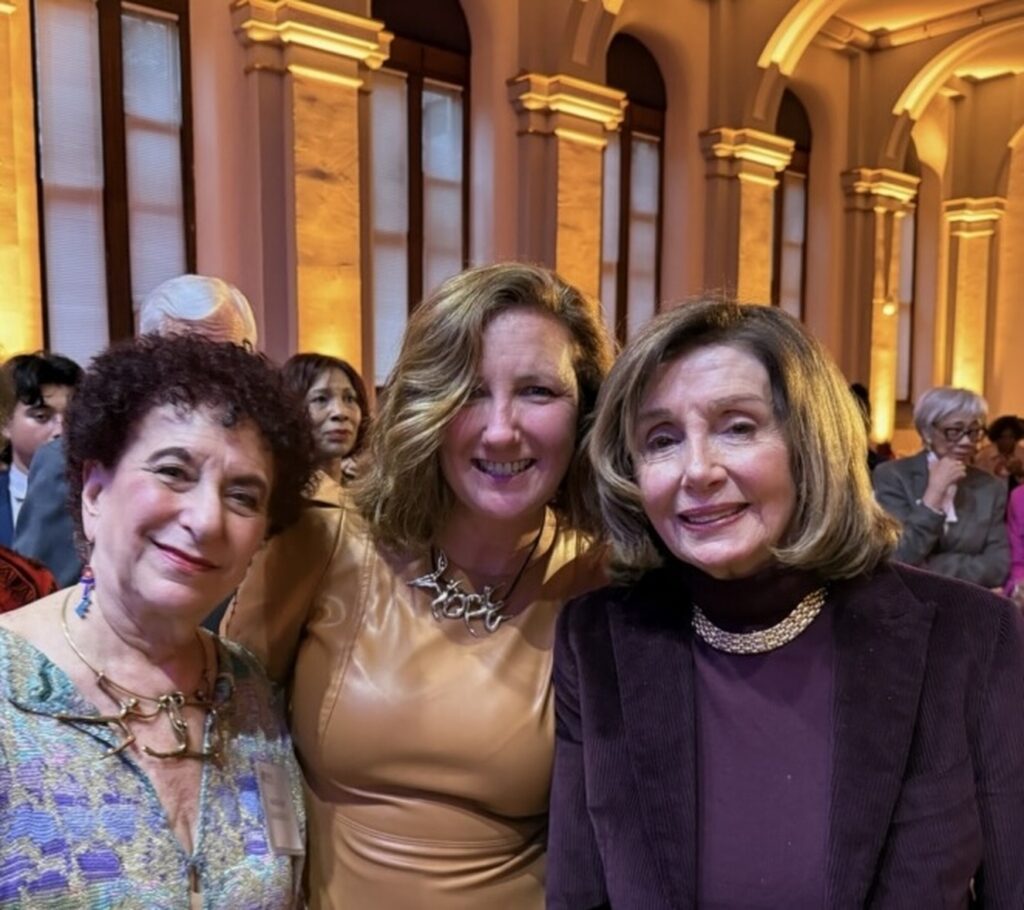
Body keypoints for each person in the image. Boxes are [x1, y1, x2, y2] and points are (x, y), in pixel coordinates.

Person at [546, 300, 1024, 908]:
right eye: (661, 439)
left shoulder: (972, 638)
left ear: (811, 445)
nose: (697, 469)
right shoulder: (597, 641)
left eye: (737, 427)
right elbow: (578, 897)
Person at [222, 262, 614, 909]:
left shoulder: (601, 580)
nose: (500, 429)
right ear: (427, 404)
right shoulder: (325, 539)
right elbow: (227, 743)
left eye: (538, 391)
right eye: (469, 390)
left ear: (587, 413)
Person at [0, 333, 315, 906]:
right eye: (173, 471)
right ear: (94, 491)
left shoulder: (250, 694)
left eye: (244, 496)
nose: (207, 519)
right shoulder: (8, 691)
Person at [13, 274, 258, 587]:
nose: (205, 376)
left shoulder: (265, 468)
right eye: (184, 357)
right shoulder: (71, 461)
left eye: (225, 358)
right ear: (146, 358)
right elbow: (34, 599)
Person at [872, 386, 1009, 588]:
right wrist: (934, 494)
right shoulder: (892, 476)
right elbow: (897, 556)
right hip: (906, 601)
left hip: (968, 603)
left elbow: (997, 567)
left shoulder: (990, 487)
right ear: (927, 432)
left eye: (973, 431)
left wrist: (928, 567)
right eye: (954, 431)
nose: (966, 441)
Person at [0, 352, 82, 548]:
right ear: (5, 423)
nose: (61, 431)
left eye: (72, 416)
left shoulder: (100, 496)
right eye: (42, 417)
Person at [282, 353, 370, 498]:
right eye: (321, 399)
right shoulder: (280, 498)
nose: (340, 412)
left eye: (349, 398)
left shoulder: (367, 495)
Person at [975, 414, 1024, 490]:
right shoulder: (984, 455)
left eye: (1011, 437)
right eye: (1003, 437)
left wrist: (1019, 472)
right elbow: (976, 482)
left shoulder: (1022, 453)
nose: (1007, 441)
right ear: (996, 438)